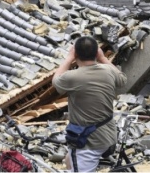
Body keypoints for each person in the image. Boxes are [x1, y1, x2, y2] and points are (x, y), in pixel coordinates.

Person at [52, 36, 127, 172]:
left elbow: (56, 81)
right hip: (108, 135)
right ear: (96, 53)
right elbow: (122, 79)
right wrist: (103, 58)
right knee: (70, 161)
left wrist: (69, 58)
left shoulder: (73, 77)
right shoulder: (109, 71)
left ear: (76, 55)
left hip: (89, 141)